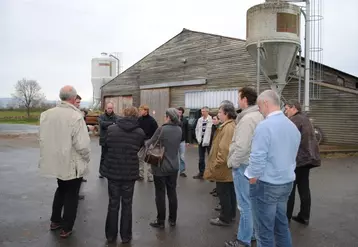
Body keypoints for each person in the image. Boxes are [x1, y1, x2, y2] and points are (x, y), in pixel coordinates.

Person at [245, 90, 301, 247]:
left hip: (266, 184)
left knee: (264, 233)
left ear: (266, 103)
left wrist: (252, 177)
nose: (259, 110)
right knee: (281, 226)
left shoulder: (264, 126)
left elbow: (257, 157)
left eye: (259, 107)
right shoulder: (292, 126)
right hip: (286, 183)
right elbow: (293, 154)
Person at [39, 85, 91, 238]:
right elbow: (82, 145)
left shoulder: (46, 115)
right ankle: (66, 227)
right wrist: (87, 158)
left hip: (57, 161)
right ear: (74, 99)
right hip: (72, 162)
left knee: (61, 189)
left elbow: (42, 138)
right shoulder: (76, 116)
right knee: (71, 195)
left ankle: (55, 220)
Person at [100, 106, 145, 244]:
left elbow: (106, 147)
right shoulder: (140, 132)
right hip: (129, 172)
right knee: (127, 204)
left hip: (113, 171)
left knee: (113, 204)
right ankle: (126, 236)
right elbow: (139, 149)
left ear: (123, 114)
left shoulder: (111, 129)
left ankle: (110, 235)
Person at [225, 87, 264, 247]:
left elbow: (241, 147)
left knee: (245, 205)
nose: (237, 100)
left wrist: (233, 163)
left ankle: (243, 240)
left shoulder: (247, 119)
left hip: (243, 165)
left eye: (239, 97)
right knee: (252, 203)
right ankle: (251, 233)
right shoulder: (259, 116)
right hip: (254, 165)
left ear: (245, 99)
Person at [285, 100, 321, 225]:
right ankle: (304, 216)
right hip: (308, 158)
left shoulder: (294, 121)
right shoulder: (305, 119)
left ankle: (286, 218)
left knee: (290, 189)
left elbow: (289, 141)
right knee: (304, 187)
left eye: (287, 108)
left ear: (293, 108)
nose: (286, 111)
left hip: (298, 159)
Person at [147, 108, 182, 229]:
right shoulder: (179, 129)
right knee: (172, 193)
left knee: (160, 194)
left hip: (160, 166)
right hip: (174, 166)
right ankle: (173, 220)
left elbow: (150, 143)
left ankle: (160, 221)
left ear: (168, 117)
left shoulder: (162, 129)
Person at [204, 103, 237, 226]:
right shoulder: (229, 126)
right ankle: (230, 214)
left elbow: (224, 150)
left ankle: (225, 218)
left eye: (219, 112)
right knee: (229, 192)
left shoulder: (228, 128)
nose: (218, 115)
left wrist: (216, 164)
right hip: (226, 167)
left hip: (223, 167)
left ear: (226, 114)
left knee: (223, 192)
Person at [138, 104, 158, 182]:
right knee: (140, 157)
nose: (140, 111)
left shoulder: (152, 120)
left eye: (141, 110)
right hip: (141, 141)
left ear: (146, 110)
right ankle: (140, 175)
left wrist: (151, 141)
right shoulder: (139, 119)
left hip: (149, 141)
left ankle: (150, 176)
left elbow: (156, 132)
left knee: (150, 159)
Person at [98, 102, 118, 178]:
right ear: (106, 108)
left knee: (113, 157)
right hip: (104, 140)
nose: (110, 109)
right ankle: (102, 172)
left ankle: (111, 171)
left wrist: (109, 124)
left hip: (113, 140)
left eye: (111, 108)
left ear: (113, 108)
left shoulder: (116, 117)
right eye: (108, 108)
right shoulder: (101, 116)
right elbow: (102, 124)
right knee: (104, 156)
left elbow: (117, 123)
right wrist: (112, 124)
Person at [194, 106, 213, 179]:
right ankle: (201, 173)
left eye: (204, 111)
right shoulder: (200, 120)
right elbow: (196, 129)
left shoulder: (211, 120)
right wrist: (198, 138)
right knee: (201, 159)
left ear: (207, 112)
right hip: (200, 142)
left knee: (211, 158)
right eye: (201, 111)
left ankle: (211, 175)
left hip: (209, 142)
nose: (202, 113)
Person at [177, 107, 189, 177]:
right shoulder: (174, 119)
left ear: (182, 113)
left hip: (182, 141)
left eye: (180, 112)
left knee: (182, 156)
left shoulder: (185, 120)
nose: (179, 113)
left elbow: (187, 130)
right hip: (175, 141)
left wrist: (187, 141)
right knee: (174, 157)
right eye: (178, 112)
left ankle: (182, 171)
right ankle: (174, 170)